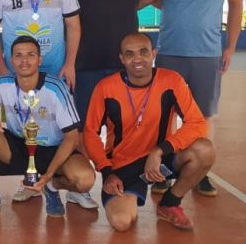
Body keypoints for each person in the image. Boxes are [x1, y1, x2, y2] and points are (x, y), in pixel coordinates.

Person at [139, 0, 243, 196]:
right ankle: (160, 169)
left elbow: (236, 5)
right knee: (165, 114)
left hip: (207, 53)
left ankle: (199, 171)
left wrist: (230, 47)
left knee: (202, 116)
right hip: (171, 51)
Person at [56, 0, 152, 209]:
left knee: (123, 124)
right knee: (85, 126)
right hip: (84, 63)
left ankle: (122, 177)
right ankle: (79, 186)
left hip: (123, 64)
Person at [84, 32, 214, 231]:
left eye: (143, 52)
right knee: (121, 222)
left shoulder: (172, 81)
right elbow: (90, 133)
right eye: (129, 54)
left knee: (204, 150)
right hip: (123, 165)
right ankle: (131, 194)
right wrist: (107, 171)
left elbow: (197, 123)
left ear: (154, 53)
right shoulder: (106, 88)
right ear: (122, 59)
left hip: (161, 159)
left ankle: (169, 203)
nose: (137, 59)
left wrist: (160, 150)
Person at [0, 36, 95, 222]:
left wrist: (48, 175)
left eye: (31, 55)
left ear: (39, 60)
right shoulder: (3, 84)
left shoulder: (56, 88)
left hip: (54, 148)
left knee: (85, 180)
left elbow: (72, 137)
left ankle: (51, 186)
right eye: (18, 55)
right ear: (11, 60)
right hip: (19, 146)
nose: (24, 60)